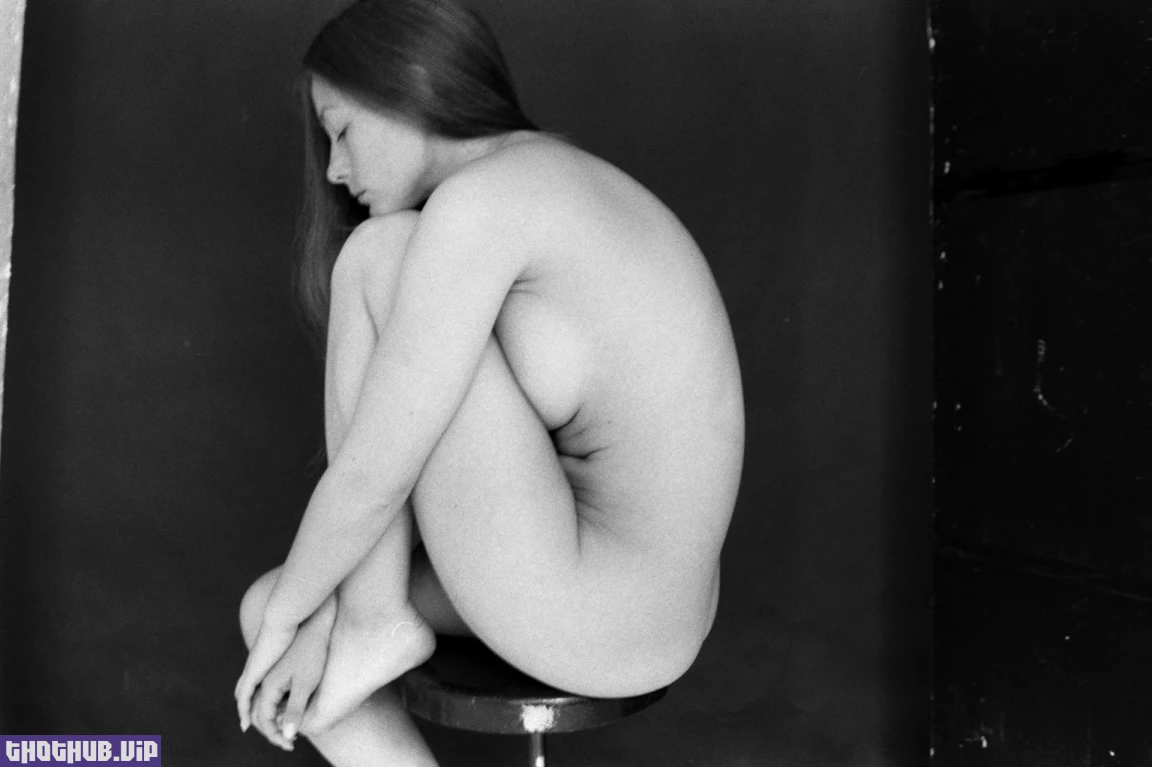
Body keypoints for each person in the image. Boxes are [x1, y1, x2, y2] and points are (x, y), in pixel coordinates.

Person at [235, 0, 744, 763]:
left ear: (406, 84)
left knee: (375, 254)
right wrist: (295, 611)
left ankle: (375, 620)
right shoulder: (549, 178)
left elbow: (376, 473)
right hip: (659, 612)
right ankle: (370, 619)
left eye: (341, 130)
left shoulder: (484, 205)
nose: (335, 169)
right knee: (270, 604)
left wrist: (295, 620)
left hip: (603, 603)